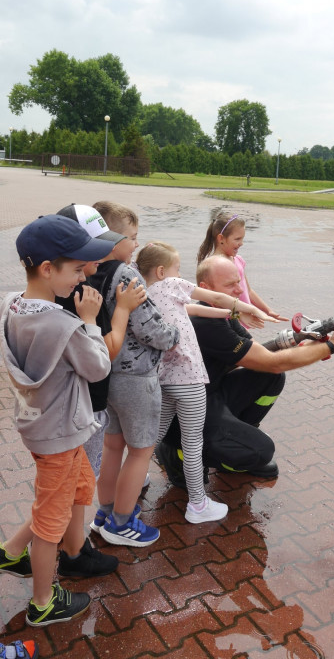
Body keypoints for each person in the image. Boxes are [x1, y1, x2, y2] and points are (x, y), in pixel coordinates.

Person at [0, 215, 119, 627]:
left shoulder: (12, 303)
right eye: (76, 269)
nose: (84, 275)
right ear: (48, 269)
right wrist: (88, 321)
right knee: (51, 519)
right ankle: (42, 603)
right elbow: (98, 367)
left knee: (76, 488)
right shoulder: (65, 324)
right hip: (59, 434)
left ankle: (12, 551)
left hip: (42, 424)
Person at [158, 256, 334, 485]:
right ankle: (178, 453)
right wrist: (332, 345)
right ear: (205, 288)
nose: (238, 290)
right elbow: (274, 361)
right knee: (261, 451)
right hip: (185, 412)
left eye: (238, 282)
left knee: (270, 377)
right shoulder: (205, 323)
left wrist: (301, 343)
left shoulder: (222, 311)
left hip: (209, 393)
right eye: (230, 285)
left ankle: (234, 441)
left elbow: (259, 357)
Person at [136, 242, 276, 523]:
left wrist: (232, 314)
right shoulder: (172, 286)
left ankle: (135, 481)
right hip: (189, 382)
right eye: (176, 270)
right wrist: (248, 309)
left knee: (153, 438)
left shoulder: (146, 298)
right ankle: (198, 505)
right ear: (163, 271)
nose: (179, 275)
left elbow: (198, 310)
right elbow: (217, 299)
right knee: (192, 442)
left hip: (167, 382)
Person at [88, 201, 180, 547]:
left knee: (113, 445)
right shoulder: (126, 274)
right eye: (131, 238)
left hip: (106, 373)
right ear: (110, 239)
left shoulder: (91, 270)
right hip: (136, 378)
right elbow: (150, 328)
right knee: (141, 449)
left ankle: (105, 511)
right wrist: (175, 334)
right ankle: (122, 522)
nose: (135, 245)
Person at [55, 203, 147, 479]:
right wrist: (123, 308)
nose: (103, 253)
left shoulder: (65, 288)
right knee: (74, 488)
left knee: (74, 490)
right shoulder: (82, 293)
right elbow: (106, 352)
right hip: (83, 411)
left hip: (68, 409)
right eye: (95, 248)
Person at [197, 211, 286, 319]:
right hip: (230, 320)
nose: (241, 243)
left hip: (244, 319)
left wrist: (268, 310)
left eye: (242, 239)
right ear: (221, 238)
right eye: (237, 239)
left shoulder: (238, 260)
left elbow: (248, 291)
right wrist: (239, 315)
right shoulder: (215, 268)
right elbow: (216, 301)